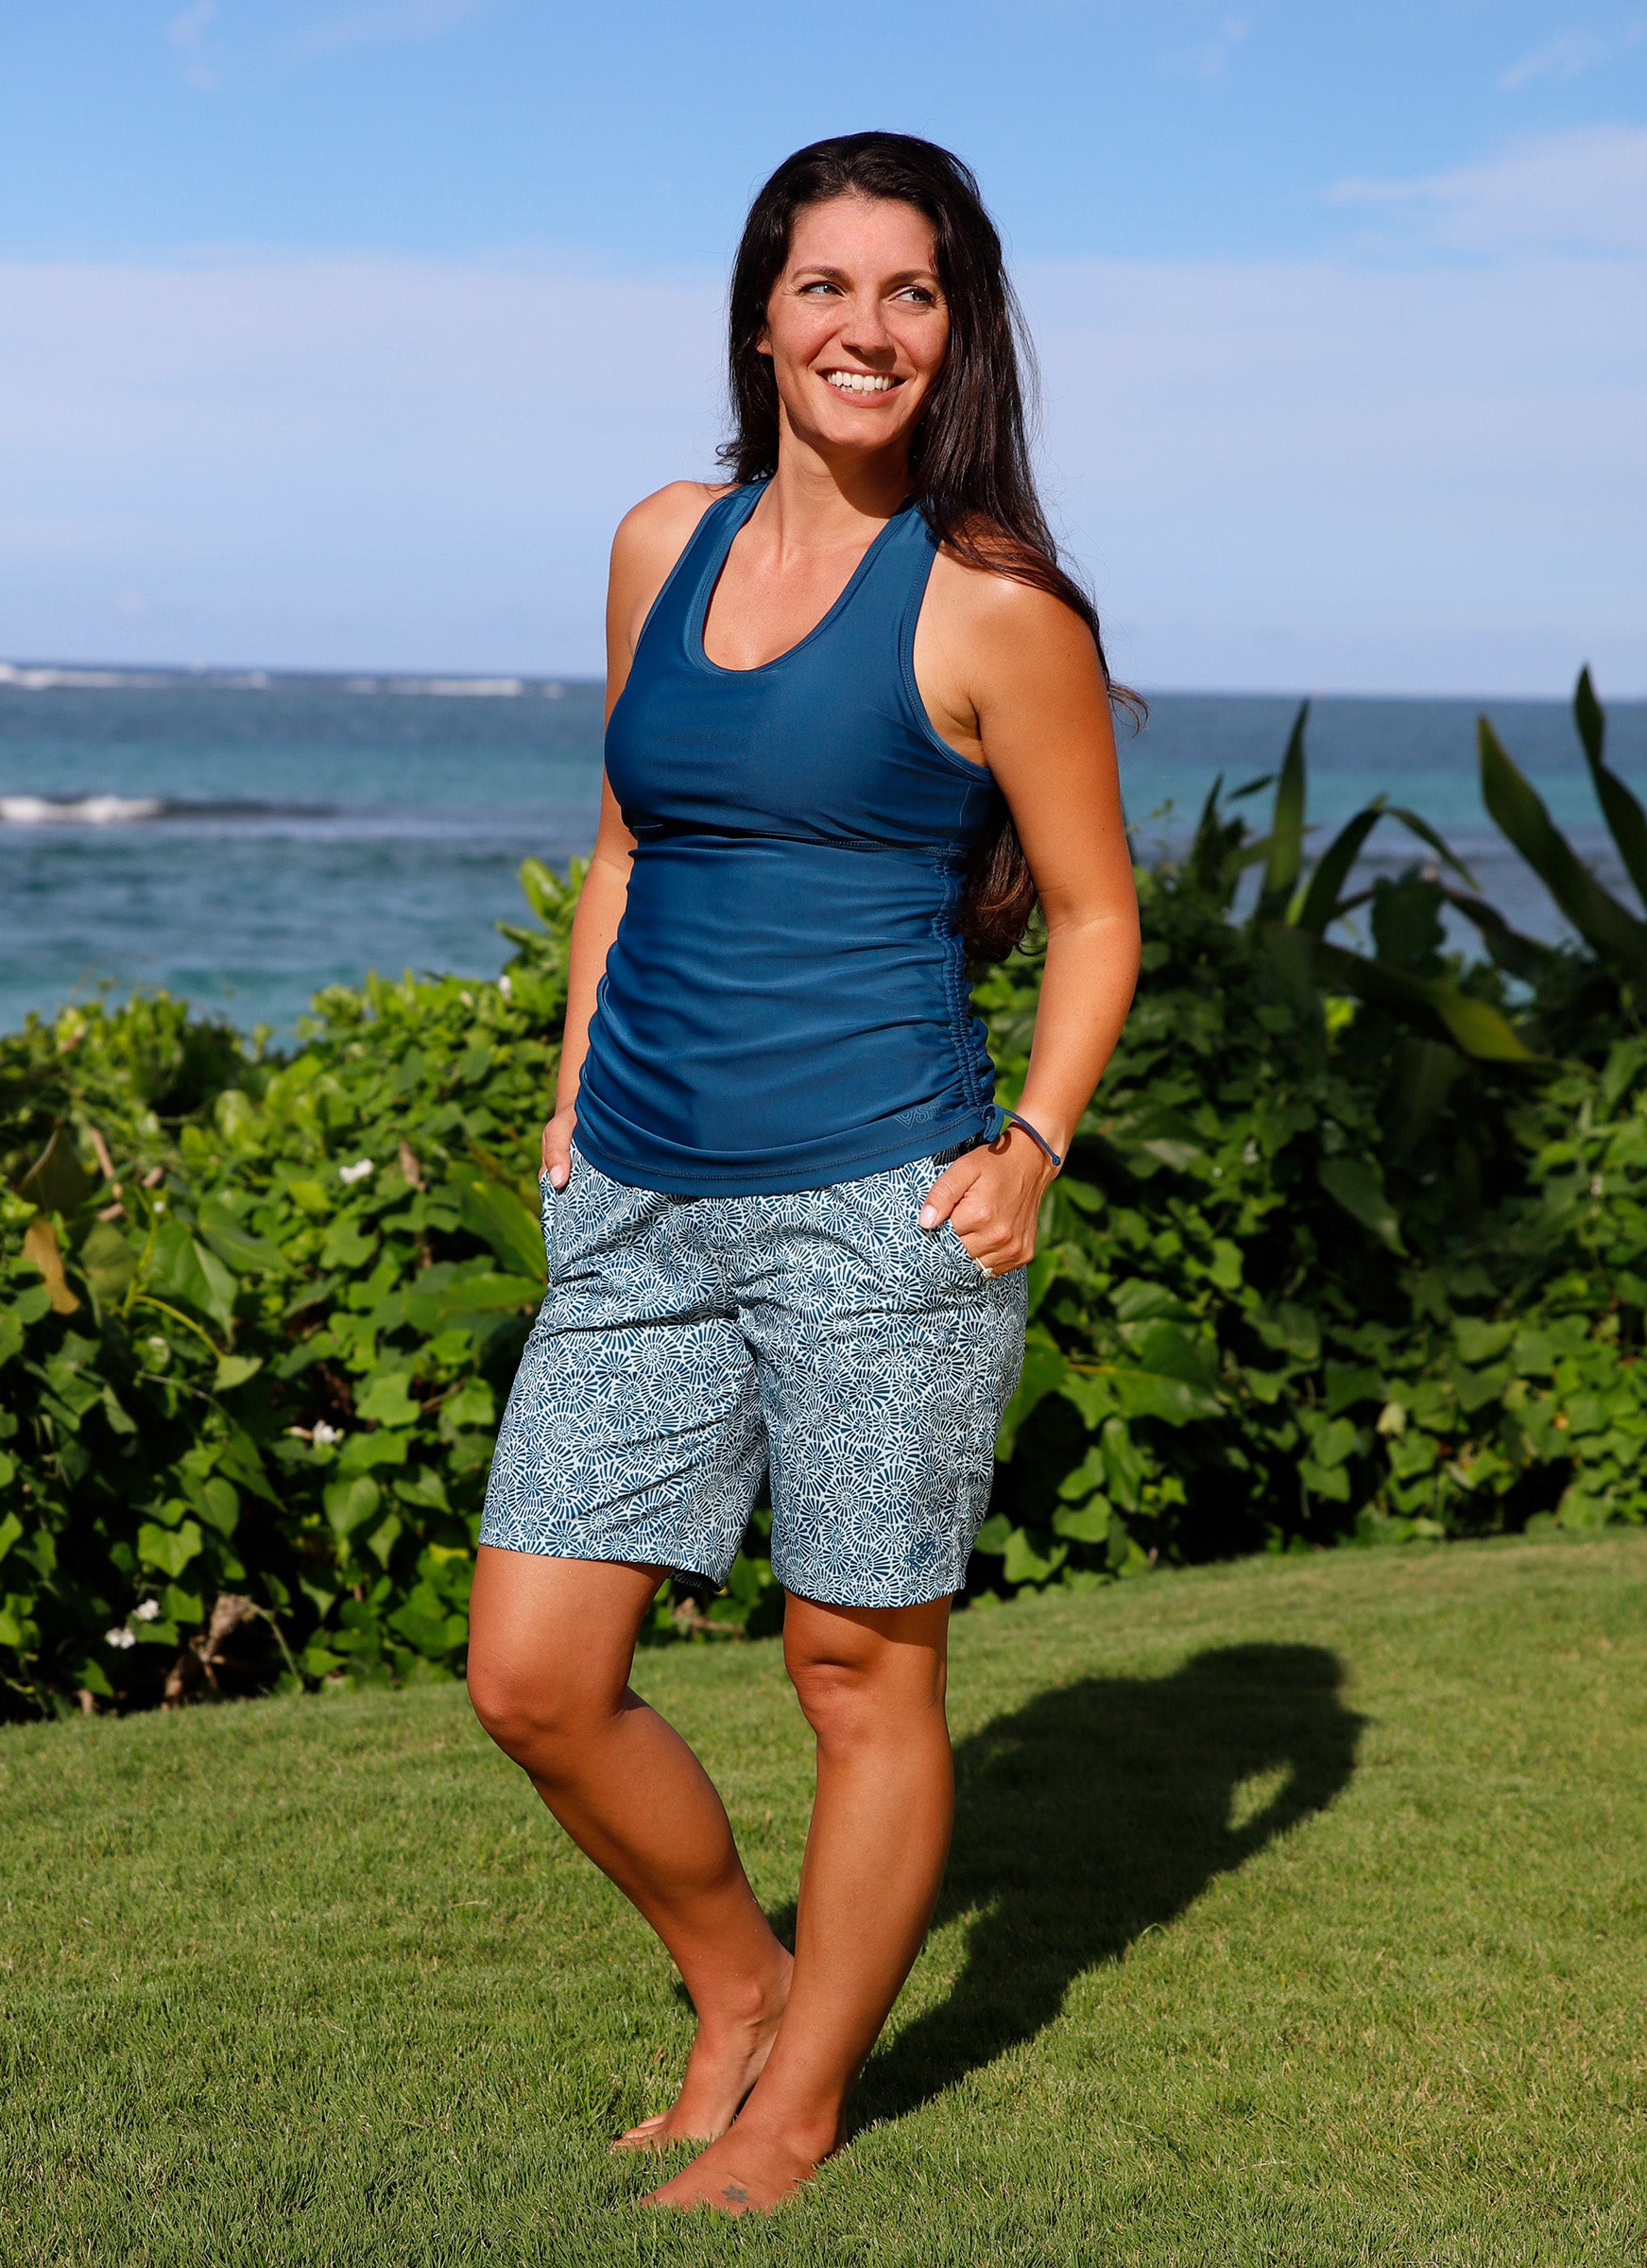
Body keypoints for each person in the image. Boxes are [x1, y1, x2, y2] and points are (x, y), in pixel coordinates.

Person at [464, 129, 1141, 2216]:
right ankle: (740, 1982)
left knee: (859, 1673)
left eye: (911, 293)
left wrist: (1031, 1144)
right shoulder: (660, 541)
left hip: (887, 1209)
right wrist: (575, 1103)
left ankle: (800, 2104)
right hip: (644, 1205)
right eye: (828, 286)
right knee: (536, 1677)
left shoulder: (996, 609)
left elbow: (1102, 913)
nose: (867, 328)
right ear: (763, 309)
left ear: (959, 333)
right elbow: (624, 847)